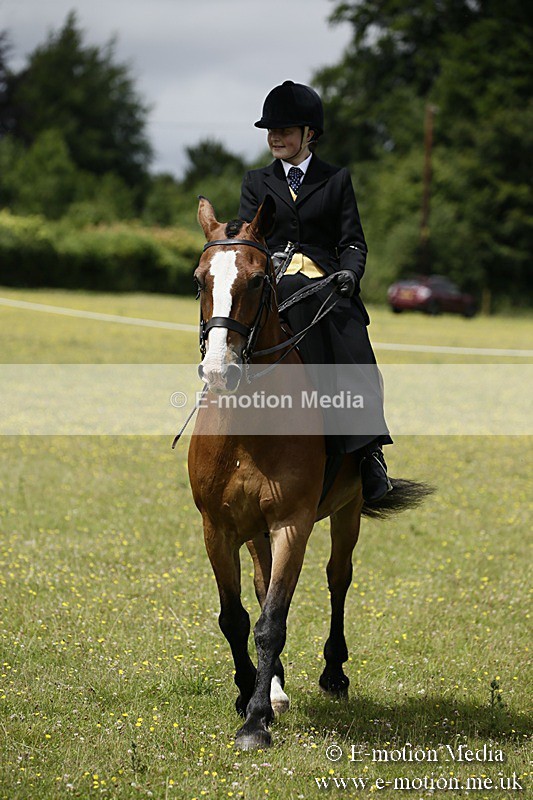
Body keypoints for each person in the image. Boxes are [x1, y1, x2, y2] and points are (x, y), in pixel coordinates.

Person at [238, 80, 392, 503]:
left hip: (327, 284)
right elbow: (249, 238)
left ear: (310, 134)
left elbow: (353, 242)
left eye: (285, 130)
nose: (275, 137)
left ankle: (370, 453)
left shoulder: (336, 180)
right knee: (228, 334)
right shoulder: (256, 181)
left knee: (356, 345)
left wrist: (350, 276)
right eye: (271, 130)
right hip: (275, 284)